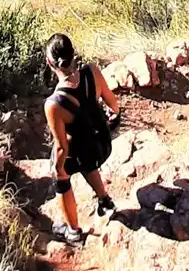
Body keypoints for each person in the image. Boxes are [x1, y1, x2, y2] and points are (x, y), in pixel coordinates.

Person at [42, 33, 119, 244]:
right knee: (83, 150)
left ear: (50, 63)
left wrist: (57, 171)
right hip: (103, 144)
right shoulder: (92, 72)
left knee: (61, 171)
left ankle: (73, 231)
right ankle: (105, 200)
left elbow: (61, 148)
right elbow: (113, 104)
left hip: (86, 150)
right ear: (73, 54)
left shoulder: (54, 103)